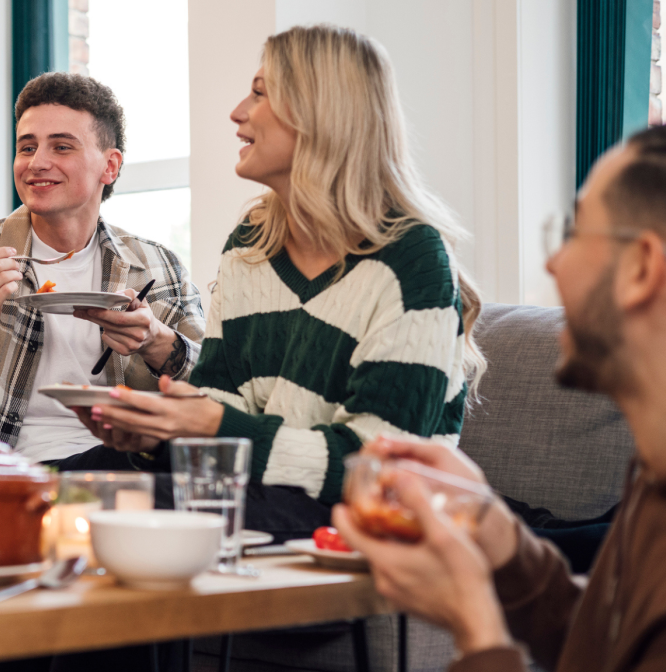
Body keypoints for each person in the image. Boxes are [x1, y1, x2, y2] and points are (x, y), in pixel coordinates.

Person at [84, 24, 485, 537]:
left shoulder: (411, 260)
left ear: (319, 112)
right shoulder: (251, 245)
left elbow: (380, 471)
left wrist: (210, 426)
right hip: (261, 493)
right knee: (64, 482)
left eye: (259, 92)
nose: (236, 113)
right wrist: (155, 434)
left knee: (113, 507)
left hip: (360, 517)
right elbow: (223, 405)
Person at [335, 118, 666, 671]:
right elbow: (605, 648)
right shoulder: (665, 480)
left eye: (574, 235)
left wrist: (474, 623)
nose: (553, 263)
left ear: (642, 268)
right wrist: (495, 532)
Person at [0, 72, 205, 468]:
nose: (37, 163)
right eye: (27, 147)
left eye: (61, 147)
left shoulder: (160, 268)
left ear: (110, 166)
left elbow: (215, 405)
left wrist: (156, 341)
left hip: (121, 467)